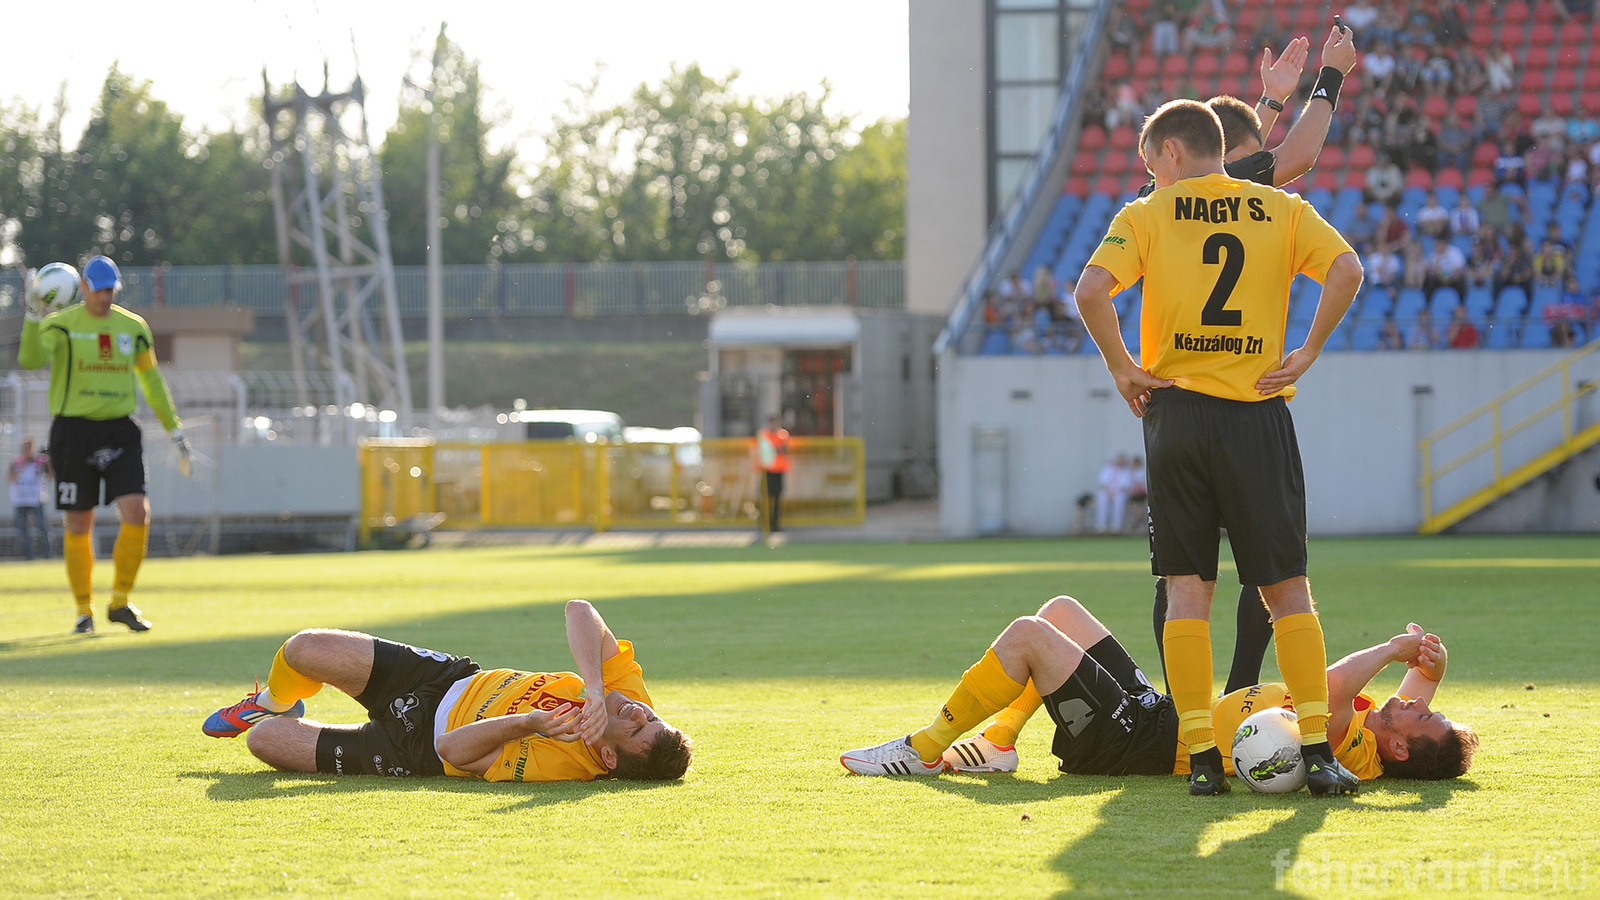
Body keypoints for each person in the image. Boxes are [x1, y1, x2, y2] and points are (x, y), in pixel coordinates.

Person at [1073, 99, 1366, 796]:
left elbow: (1090, 290)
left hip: (1174, 416)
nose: (1151, 173)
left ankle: (1203, 759)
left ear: (1172, 152)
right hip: (1255, 415)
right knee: (1286, 588)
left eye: (1151, 161)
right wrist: (1308, 350)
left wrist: (1122, 366)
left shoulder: (1146, 212)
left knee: (1186, 588)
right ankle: (1318, 751)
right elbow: (1348, 269)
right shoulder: (1279, 207)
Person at [839, 594, 1477, 790]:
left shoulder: (1347, 749)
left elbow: (1327, 684)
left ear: (1397, 749)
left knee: (1029, 636)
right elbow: (1419, 691)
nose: (1415, 701)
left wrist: (1390, 650)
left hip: (1137, 743)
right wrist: (1432, 663)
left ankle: (925, 749)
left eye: (1423, 717)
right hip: (1165, 714)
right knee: (1061, 611)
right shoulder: (1382, 732)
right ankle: (1002, 741)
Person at [202, 599, 693, 783]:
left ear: (607, 756)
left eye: (637, 727)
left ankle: (272, 717)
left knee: (264, 741)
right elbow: (579, 610)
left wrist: (528, 723)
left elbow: (450, 748)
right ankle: (272, 701)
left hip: (412, 749)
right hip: (444, 680)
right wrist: (595, 687)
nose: (639, 712)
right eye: (651, 717)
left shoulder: (566, 765)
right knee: (304, 648)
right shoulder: (625, 695)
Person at [16, 257, 191, 634]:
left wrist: (174, 428)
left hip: (120, 431)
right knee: (80, 520)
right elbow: (30, 359)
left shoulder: (133, 327)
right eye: (98, 290)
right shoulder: (61, 324)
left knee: (137, 512)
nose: (104, 296)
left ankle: (120, 602)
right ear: (83, 288)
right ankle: (84, 610)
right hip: (73, 431)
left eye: (110, 289)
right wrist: (32, 314)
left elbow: (152, 381)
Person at [8, 437, 53, 560]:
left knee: (42, 526)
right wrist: (21, 467)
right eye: (24, 448)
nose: (26, 450)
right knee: (22, 528)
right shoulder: (17, 462)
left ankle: (47, 554)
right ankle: (28, 555)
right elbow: (9, 478)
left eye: (29, 448)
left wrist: (49, 461)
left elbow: (51, 476)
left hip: (36, 500)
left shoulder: (41, 462)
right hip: (20, 500)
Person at [756, 414, 790, 537]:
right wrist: (776, 450)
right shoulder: (763, 434)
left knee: (777, 497)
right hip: (766, 470)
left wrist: (773, 450)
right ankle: (764, 522)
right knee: (765, 497)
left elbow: (784, 449)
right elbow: (762, 450)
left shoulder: (782, 434)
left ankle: (775, 523)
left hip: (778, 469)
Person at [1094, 453, 1131, 534]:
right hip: (1106, 491)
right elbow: (1102, 482)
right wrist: (1109, 492)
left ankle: (1116, 525)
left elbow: (1126, 485)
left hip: (1119, 492)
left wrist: (1115, 492)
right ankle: (1101, 524)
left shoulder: (1126, 471)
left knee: (1119, 500)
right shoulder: (1107, 468)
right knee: (1102, 499)